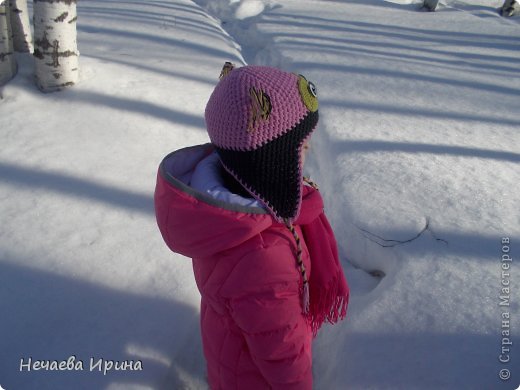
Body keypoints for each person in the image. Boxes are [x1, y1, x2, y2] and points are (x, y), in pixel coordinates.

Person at [154, 64, 349, 389]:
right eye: (300, 145)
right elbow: (283, 355)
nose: (309, 150)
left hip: (231, 353)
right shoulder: (263, 256)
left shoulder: (227, 211)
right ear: (270, 162)